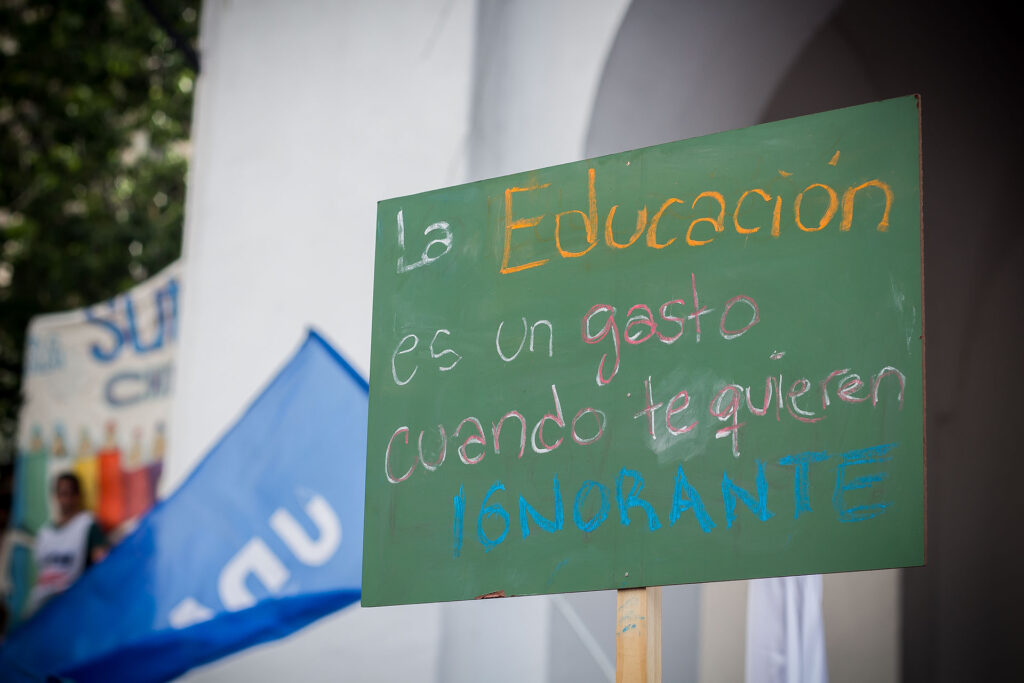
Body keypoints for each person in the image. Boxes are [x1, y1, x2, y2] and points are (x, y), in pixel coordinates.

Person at [24, 473, 109, 616]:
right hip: (40, 607)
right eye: (62, 493)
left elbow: (102, 563)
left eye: (70, 493)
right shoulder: (44, 534)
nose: (66, 499)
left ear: (77, 496)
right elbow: (40, 575)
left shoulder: (87, 525)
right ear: (55, 496)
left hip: (70, 606)